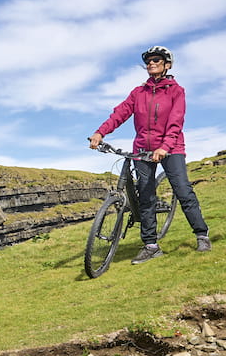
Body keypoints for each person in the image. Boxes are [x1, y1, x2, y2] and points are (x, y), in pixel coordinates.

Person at [88, 45, 210, 265]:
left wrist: (164, 147)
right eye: (149, 61)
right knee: (145, 195)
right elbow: (120, 113)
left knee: (183, 190)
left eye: (156, 60)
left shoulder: (176, 90)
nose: (151, 63)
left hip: (171, 148)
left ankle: (202, 234)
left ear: (167, 65)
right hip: (142, 148)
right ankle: (151, 246)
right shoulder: (138, 92)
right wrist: (100, 132)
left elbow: (176, 122)